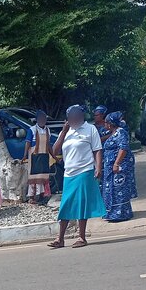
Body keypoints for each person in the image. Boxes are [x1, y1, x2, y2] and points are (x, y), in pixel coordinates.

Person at [48, 105, 105, 248]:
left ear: (81, 116)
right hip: (69, 173)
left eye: (77, 116)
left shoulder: (90, 129)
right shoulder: (67, 132)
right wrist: (63, 132)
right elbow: (54, 151)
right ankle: (60, 239)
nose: (74, 119)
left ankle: (82, 237)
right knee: (66, 204)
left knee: (81, 205)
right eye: (71, 117)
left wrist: (98, 167)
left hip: (85, 171)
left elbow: (97, 150)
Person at [101, 111, 134, 222]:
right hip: (110, 166)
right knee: (110, 189)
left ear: (110, 124)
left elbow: (123, 148)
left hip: (119, 167)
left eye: (105, 122)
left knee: (118, 188)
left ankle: (121, 214)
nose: (104, 124)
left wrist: (116, 163)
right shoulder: (113, 132)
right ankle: (111, 213)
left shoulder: (121, 132)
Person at [23, 110, 53, 203]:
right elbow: (28, 143)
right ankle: (32, 197)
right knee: (34, 176)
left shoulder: (47, 130)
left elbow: (48, 145)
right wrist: (24, 156)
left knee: (43, 175)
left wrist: (54, 156)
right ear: (37, 119)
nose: (42, 120)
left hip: (44, 155)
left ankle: (42, 195)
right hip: (34, 156)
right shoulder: (32, 130)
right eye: (40, 118)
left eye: (44, 118)